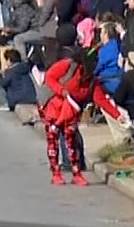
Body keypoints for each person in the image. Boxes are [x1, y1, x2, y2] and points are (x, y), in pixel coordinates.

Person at [38, 44, 127, 185]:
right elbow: (49, 77)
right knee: (52, 141)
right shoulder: (67, 66)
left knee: (71, 143)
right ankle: (56, 173)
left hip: (72, 112)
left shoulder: (91, 80)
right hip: (53, 107)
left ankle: (76, 173)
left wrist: (117, 115)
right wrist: (61, 91)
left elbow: (101, 99)